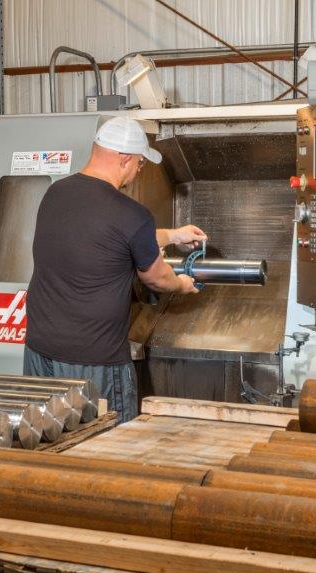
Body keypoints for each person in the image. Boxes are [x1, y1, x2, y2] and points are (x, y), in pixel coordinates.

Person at [24, 117, 206, 423]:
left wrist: (174, 235)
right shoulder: (131, 214)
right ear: (125, 159)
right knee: (104, 451)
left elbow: (109, 237)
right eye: (139, 163)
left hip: (40, 352)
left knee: (47, 446)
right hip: (93, 363)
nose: (138, 170)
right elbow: (157, 278)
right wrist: (182, 284)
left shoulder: (56, 194)